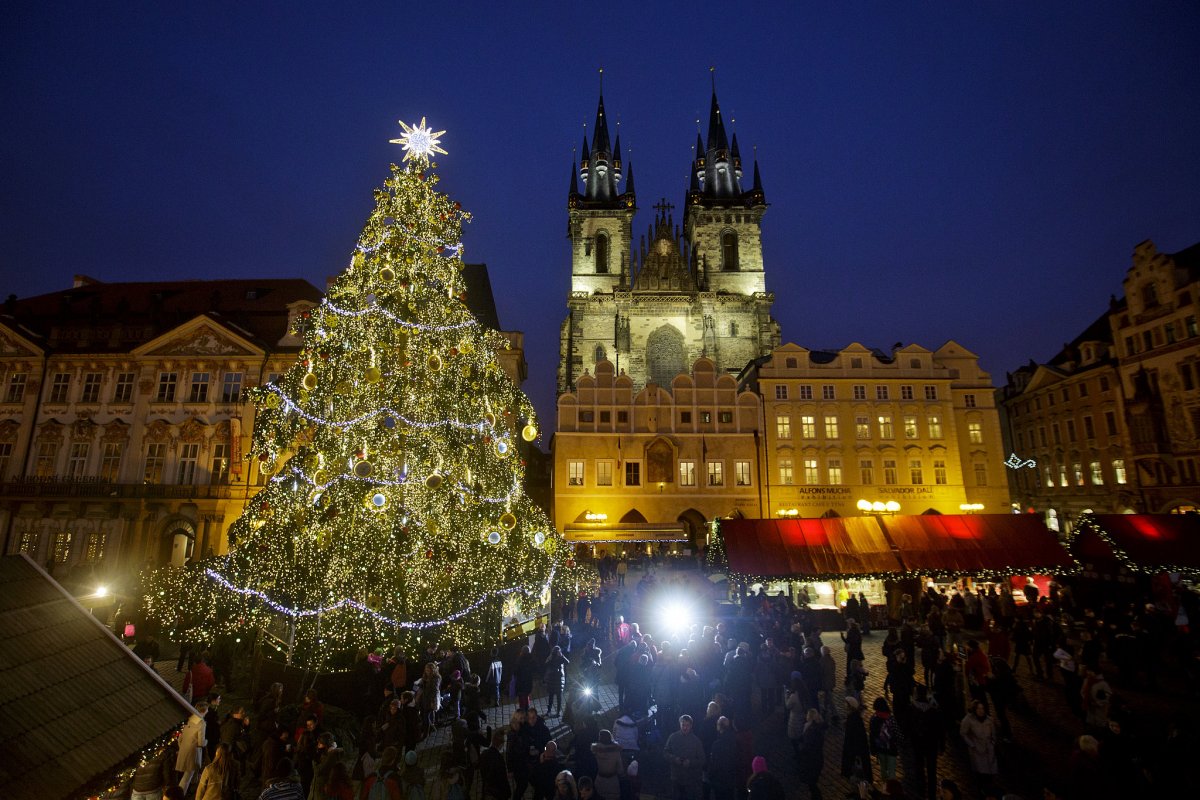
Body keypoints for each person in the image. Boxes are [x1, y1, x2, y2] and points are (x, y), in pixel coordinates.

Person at [910, 685, 942, 800]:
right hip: (931, 744)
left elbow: (909, 727)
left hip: (918, 744)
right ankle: (932, 794)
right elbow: (939, 728)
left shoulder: (912, 709)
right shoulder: (933, 710)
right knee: (931, 770)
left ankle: (921, 791)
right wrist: (941, 744)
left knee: (919, 768)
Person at [958, 700, 998, 789]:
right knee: (981, 775)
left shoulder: (989, 720)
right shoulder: (969, 720)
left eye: (982, 708)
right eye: (979, 708)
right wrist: (972, 744)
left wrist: (992, 743)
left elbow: (993, 734)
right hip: (977, 751)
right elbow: (963, 733)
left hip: (989, 750)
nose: (981, 710)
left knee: (990, 776)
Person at [664, 715, 705, 800]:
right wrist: (674, 759)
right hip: (676, 777)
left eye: (687, 725)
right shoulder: (673, 737)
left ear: (691, 726)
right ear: (680, 724)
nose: (685, 728)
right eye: (683, 725)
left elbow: (702, 760)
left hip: (690, 779)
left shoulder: (696, 741)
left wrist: (690, 763)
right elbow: (665, 752)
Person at [177, 701, 208, 794]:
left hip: (184, 750)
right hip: (193, 752)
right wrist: (206, 742)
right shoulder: (201, 723)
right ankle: (179, 794)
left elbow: (180, 738)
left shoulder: (190, 720)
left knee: (189, 774)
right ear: (204, 711)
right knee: (187, 776)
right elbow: (201, 742)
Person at [796, 709, 827, 800]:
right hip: (818, 759)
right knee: (813, 782)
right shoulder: (819, 729)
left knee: (812, 784)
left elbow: (807, 747)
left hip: (812, 761)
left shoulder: (810, 731)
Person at [706, 716, 739, 800]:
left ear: (719, 726)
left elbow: (714, 762)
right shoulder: (734, 740)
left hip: (720, 779)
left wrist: (709, 775)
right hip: (731, 777)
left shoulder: (717, 744)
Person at [841, 697, 871, 784]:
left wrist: (856, 752)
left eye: (846, 704)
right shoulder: (853, 717)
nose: (844, 706)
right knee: (854, 772)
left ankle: (859, 791)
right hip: (852, 749)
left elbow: (858, 737)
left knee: (856, 772)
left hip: (855, 751)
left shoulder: (855, 719)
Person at [868, 698, 898, 782]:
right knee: (892, 771)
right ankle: (892, 788)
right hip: (891, 748)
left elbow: (872, 735)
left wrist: (872, 748)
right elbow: (897, 733)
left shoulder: (873, 719)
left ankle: (885, 787)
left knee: (883, 770)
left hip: (880, 748)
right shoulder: (891, 718)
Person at [591, 729, 624, 800]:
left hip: (600, 779)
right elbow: (620, 768)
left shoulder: (596, 750)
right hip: (613, 780)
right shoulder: (616, 750)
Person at [478, 728, 509, 800]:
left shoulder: (484, 753)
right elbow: (502, 778)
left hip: (486, 788)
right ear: (501, 744)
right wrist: (507, 792)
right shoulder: (499, 758)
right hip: (496, 792)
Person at [544, 645, 569, 716]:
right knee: (551, 696)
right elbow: (546, 664)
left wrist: (562, 656)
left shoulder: (561, 657)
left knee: (558, 696)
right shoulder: (551, 657)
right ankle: (549, 711)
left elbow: (567, 662)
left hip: (559, 680)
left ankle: (558, 712)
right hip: (552, 680)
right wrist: (552, 657)